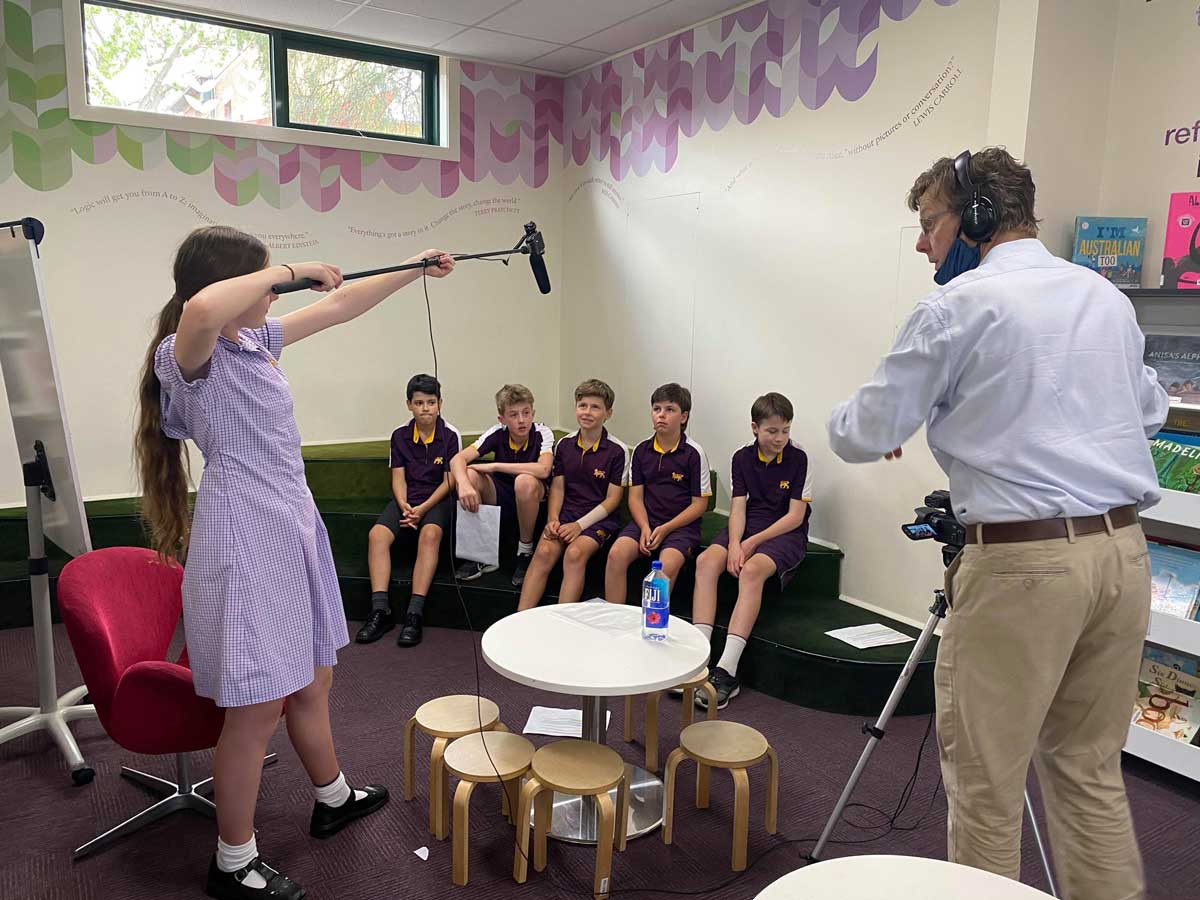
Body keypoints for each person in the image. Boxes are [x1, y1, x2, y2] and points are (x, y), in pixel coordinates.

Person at [827, 147, 1168, 900]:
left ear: (976, 217)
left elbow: (859, 432)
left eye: (930, 224)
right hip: (1122, 558)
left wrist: (891, 414)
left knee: (986, 786)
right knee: (1088, 772)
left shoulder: (956, 306)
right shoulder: (1104, 298)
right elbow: (1149, 410)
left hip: (1023, 569)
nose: (923, 244)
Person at [135, 225, 454, 899]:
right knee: (254, 710)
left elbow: (338, 306)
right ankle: (233, 858)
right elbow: (198, 308)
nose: (274, 297)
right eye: (261, 285)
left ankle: (332, 796)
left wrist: (413, 268)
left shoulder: (253, 341)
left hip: (289, 524)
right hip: (244, 535)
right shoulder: (186, 354)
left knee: (312, 679)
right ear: (232, 284)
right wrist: (286, 268)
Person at [690, 392, 811, 709]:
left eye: (785, 430)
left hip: (785, 532)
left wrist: (750, 544)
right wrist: (733, 544)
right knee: (706, 561)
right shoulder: (741, 458)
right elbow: (738, 509)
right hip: (749, 527)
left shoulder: (799, 458)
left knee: (753, 570)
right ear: (755, 428)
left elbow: (795, 516)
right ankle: (697, 658)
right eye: (773, 431)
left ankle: (726, 670)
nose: (780, 438)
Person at [355, 374, 461, 648]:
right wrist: (404, 505)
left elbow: (450, 480)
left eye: (431, 402)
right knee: (377, 535)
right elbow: (398, 477)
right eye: (419, 403)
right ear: (409, 405)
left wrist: (423, 508)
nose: (425, 408)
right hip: (407, 500)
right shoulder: (400, 435)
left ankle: (414, 613)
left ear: (440, 404)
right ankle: (381, 611)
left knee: (430, 535)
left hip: (436, 500)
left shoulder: (450, 435)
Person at [517, 379, 629, 611]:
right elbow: (558, 487)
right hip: (567, 513)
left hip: (598, 519)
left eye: (595, 407)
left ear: (608, 413)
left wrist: (579, 525)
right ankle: (519, 620)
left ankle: (562, 625)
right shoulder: (565, 445)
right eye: (582, 405)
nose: (587, 412)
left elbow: (612, 500)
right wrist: (553, 520)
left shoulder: (617, 451)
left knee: (575, 554)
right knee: (544, 551)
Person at [603, 383, 710, 606]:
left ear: (684, 417)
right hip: (645, 522)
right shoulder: (641, 450)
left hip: (680, 528)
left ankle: (651, 624)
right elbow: (635, 497)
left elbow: (699, 505)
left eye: (669, 409)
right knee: (616, 555)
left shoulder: (694, 453)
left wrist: (666, 528)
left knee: (667, 566)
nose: (661, 415)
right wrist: (644, 527)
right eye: (656, 409)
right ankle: (614, 619)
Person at [450, 384, 554, 587]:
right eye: (513, 415)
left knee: (524, 481)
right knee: (470, 474)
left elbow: (543, 470)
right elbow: (457, 460)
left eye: (526, 413)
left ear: (533, 413)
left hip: (532, 496)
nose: (521, 420)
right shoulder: (497, 432)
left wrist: (496, 465)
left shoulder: (543, 432)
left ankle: (525, 551)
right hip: (501, 494)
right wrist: (463, 485)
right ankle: (479, 554)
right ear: (502, 419)